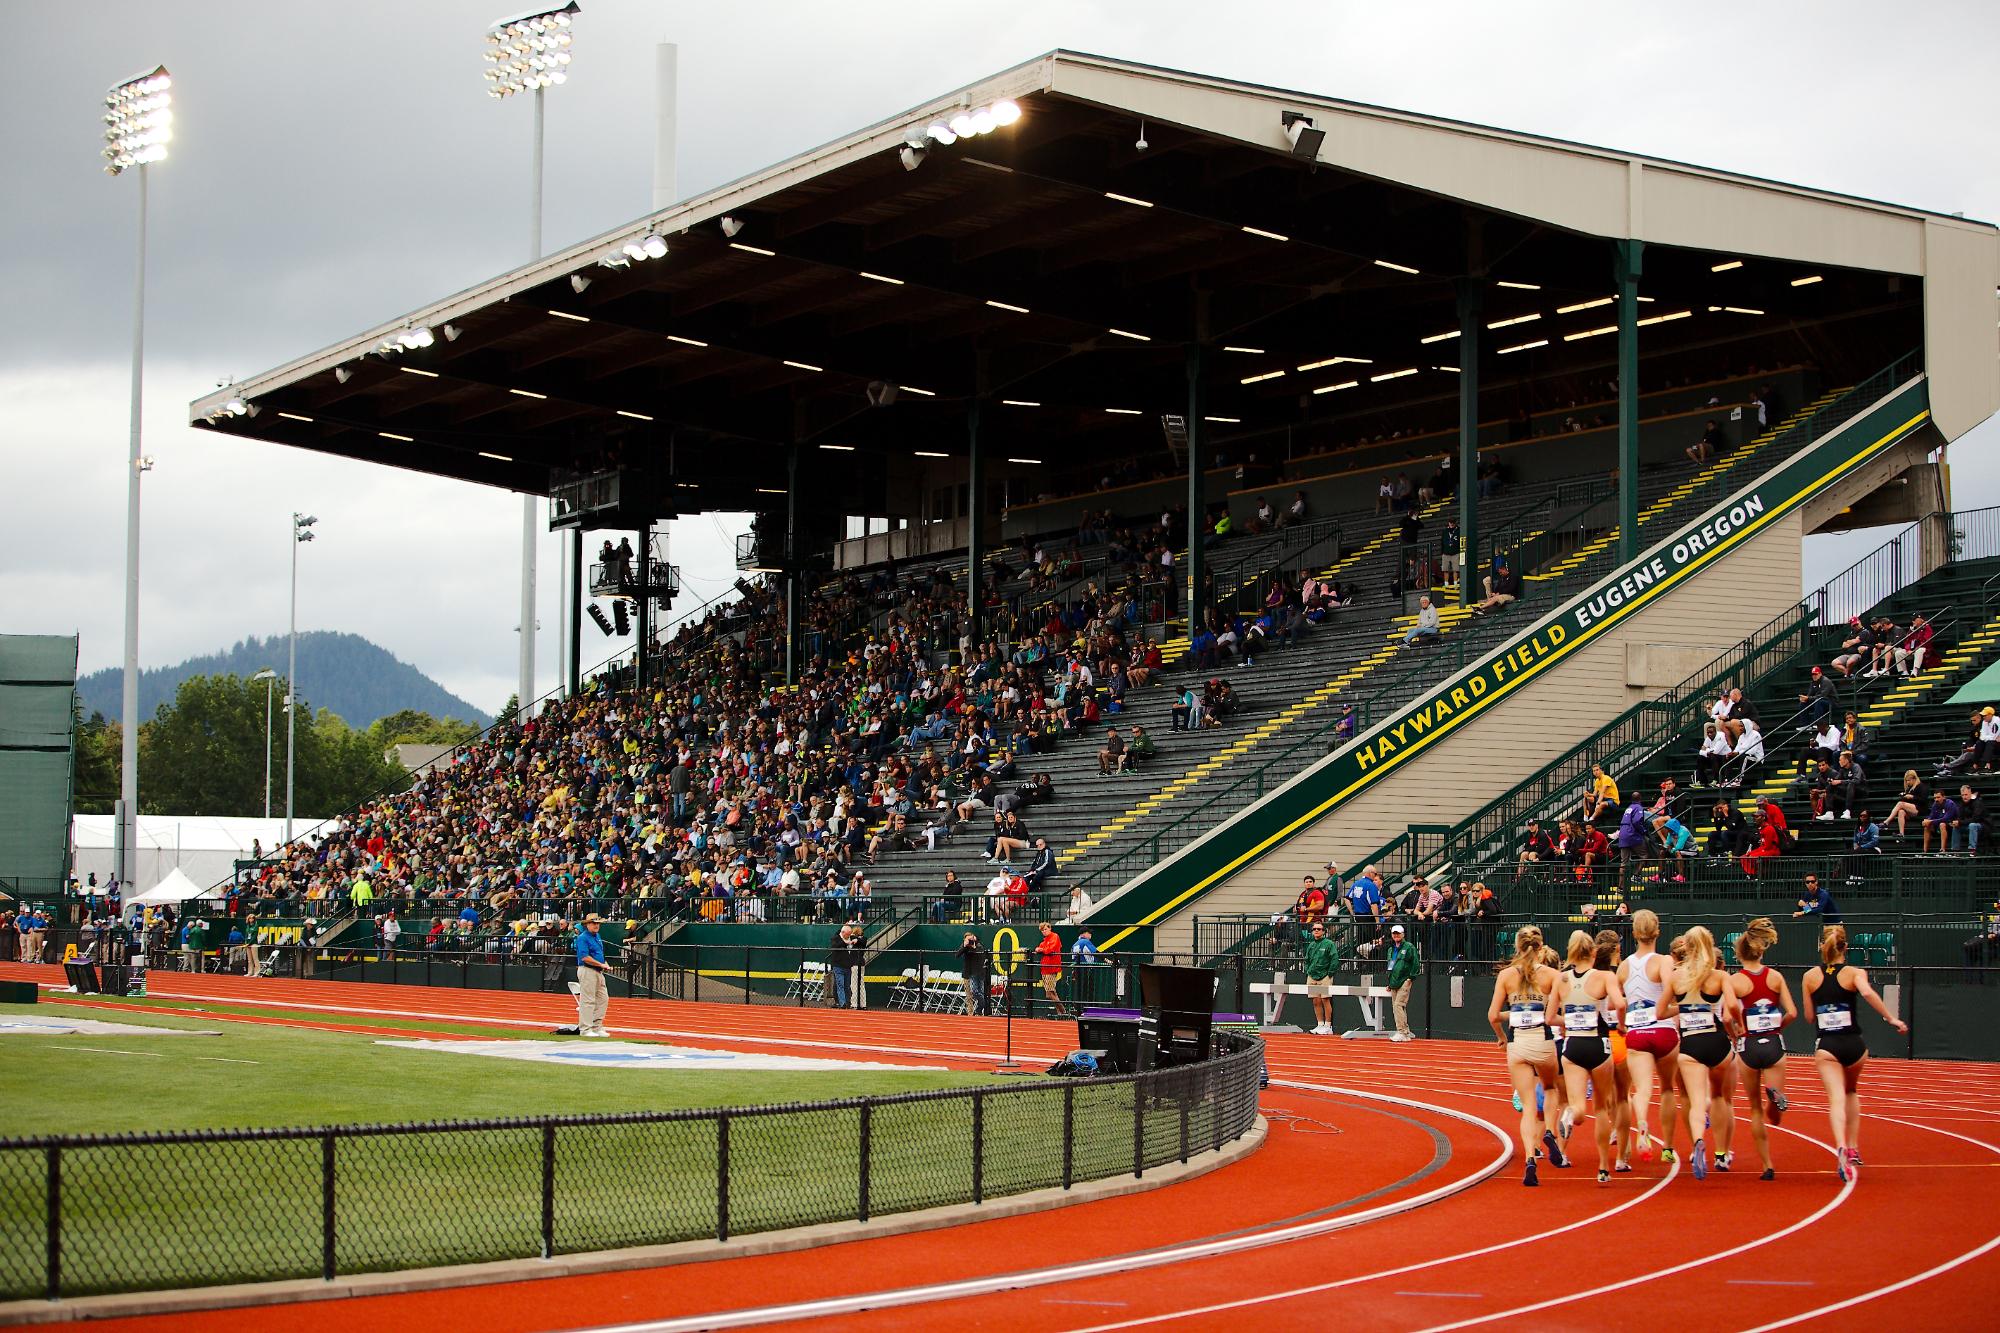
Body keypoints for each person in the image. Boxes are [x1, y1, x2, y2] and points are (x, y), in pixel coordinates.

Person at [1801, 925, 1909, 1181]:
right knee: (1851, 1092)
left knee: (1836, 1098)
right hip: (1854, 1045)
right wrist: (1891, 1018)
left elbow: (1807, 1017)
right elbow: (1869, 993)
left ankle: (1839, 1145)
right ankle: (1853, 1147)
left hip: (1827, 1046)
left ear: (1821, 947)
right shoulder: (1854, 972)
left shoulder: (1809, 977)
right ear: (1846, 948)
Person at [1488, 925, 1569, 1186]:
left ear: (1517, 946)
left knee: (1528, 1108)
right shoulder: (1553, 976)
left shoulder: (1506, 975)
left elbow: (1492, 1016)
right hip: (1542, 1041)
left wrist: (1501, 1037)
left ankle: (1530, 1160)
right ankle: (1549, 1133)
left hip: (1517, 1044)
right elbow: (1554, 1015)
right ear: (1541, 945)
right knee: (1551, 1088)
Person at [1550, 929, 1627, 1184]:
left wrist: (1569, 1020)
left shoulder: (1561, 980)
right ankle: (1604, 1167)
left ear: (1570, 952)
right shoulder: (1604, 977)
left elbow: (1550, 1018)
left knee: (1578, 1106)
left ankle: (1570, 1116)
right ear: (1594, 952)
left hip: (1572, 1045)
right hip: (1599, 1043)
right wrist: (1621, 1025)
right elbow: (1620, 1003)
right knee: (1603, 1108)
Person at [1662, 925, 1738, 1181]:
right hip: (1717, 1041)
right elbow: (1733, 1008)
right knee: (1719, 1097)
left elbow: (1660, 1013)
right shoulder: (1718, 976)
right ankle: (1721, 1152)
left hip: (1690, 1044)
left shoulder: (1676, 977)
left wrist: (1684, 1008)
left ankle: (1697, 1143)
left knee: (1695, 1101)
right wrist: (1739, 1028)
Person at [1727, 918, 1795, 1181]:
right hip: (1774, 1042)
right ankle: (1776, 1098)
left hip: (1748, 1045)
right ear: (1762, 950)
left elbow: (1726, 1016)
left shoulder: (1735, 981)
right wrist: (1778, 1027)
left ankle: (1767, 1165)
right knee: (1773, 1114)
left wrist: (1736, 1033)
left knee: (1754, 1108)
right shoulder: (1775, 977)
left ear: (1740, 953)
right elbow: (1792, 1012)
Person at [1618, 909, 1679, 1165]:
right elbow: (1671, 987)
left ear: (1633, 933)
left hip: (1636, 1031)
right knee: (1667, 1089)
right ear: (1657, 932)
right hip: (1663, 1029)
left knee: (1641, 1089)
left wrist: (1623, 1025)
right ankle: (1667, 1146)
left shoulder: (1623, 966)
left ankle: (1642, 1123)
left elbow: (1620, 1002)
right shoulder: (1663, 961)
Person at [573, 912, 613, 1037]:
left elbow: (598, 954)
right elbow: (584, 957)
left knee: (603, 999)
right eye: (594, 923)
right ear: (587, 925)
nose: (596, 925)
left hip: (598, 971)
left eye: (598, 923)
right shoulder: (583, 938)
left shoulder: (597, 936)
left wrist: (604, 964)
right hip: (588, 970)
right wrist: (601, 964)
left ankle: (596, 1027)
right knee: (588, 1000)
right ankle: (585, 1029)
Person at [1384, 922, 1421, 1042]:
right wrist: (1389, 981)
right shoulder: (1390, 949)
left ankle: (1402, 1032)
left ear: (1403, 934)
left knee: (1398, 1005)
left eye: (1398, 933)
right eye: (1394, 934)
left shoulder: (1409, 947)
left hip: (1404, 979)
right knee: (1398, 1007)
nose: (1396, 936)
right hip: (1394, 980)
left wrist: (1411, 977)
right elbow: (1390, 965)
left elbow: (1415, 962)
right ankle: (1405, 1030)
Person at [1304, 919, 1339, 1035]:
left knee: (1325, 999)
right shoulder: (1311, 945)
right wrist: (1308, 971)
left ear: (1323, 931)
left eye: (1319, 929)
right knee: (1315, 1000)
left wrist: (1330, 973)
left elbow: (1334, 959)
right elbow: (1307, 960)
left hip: (1325, 976)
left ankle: (1328, 1026)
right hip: (1312, 975)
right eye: (1314, 929)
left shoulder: (1329, 944)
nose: (1316, 931)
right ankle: (1320, 1024)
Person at [1035, 921, 1068, 1017]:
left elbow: (1050, 949)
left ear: (1050, 928)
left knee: (1049, 993)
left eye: (1045, 929)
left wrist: (1041, 949)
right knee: (1051, 992)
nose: (1044, 931)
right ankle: (1061, 1012)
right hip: (1045, 968)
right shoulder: (1045, 940)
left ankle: (1063, 1011)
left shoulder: (1055, 936)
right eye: (1042, 930)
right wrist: (1041, 949)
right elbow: (1040, 948)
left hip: (1051, 967)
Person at [828, 922, 865, 1008]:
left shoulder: (850, 937)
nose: (848, 936)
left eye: (849, 934)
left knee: (847, 986)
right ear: (843, 932)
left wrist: (857, 940)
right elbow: (835, 946)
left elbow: (864, 940)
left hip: (848, 966)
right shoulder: (836, 938)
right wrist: (846, 943)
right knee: (840, 984)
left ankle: (847, 1003)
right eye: (847, 934)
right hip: (838, 966)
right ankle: (842, 1003)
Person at [958, 932, 989, 1016]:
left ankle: (982, 1007)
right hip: (968, 973)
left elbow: (981, 957)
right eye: (969, 940)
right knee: (969, 995)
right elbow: (957, 954)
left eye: (971, 939)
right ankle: (971, 1013)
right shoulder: (964, 946)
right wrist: (965, 946)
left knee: (978, 992)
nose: (970, 941)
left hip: (978, 973)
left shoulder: (979, 946)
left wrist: (973, 947)